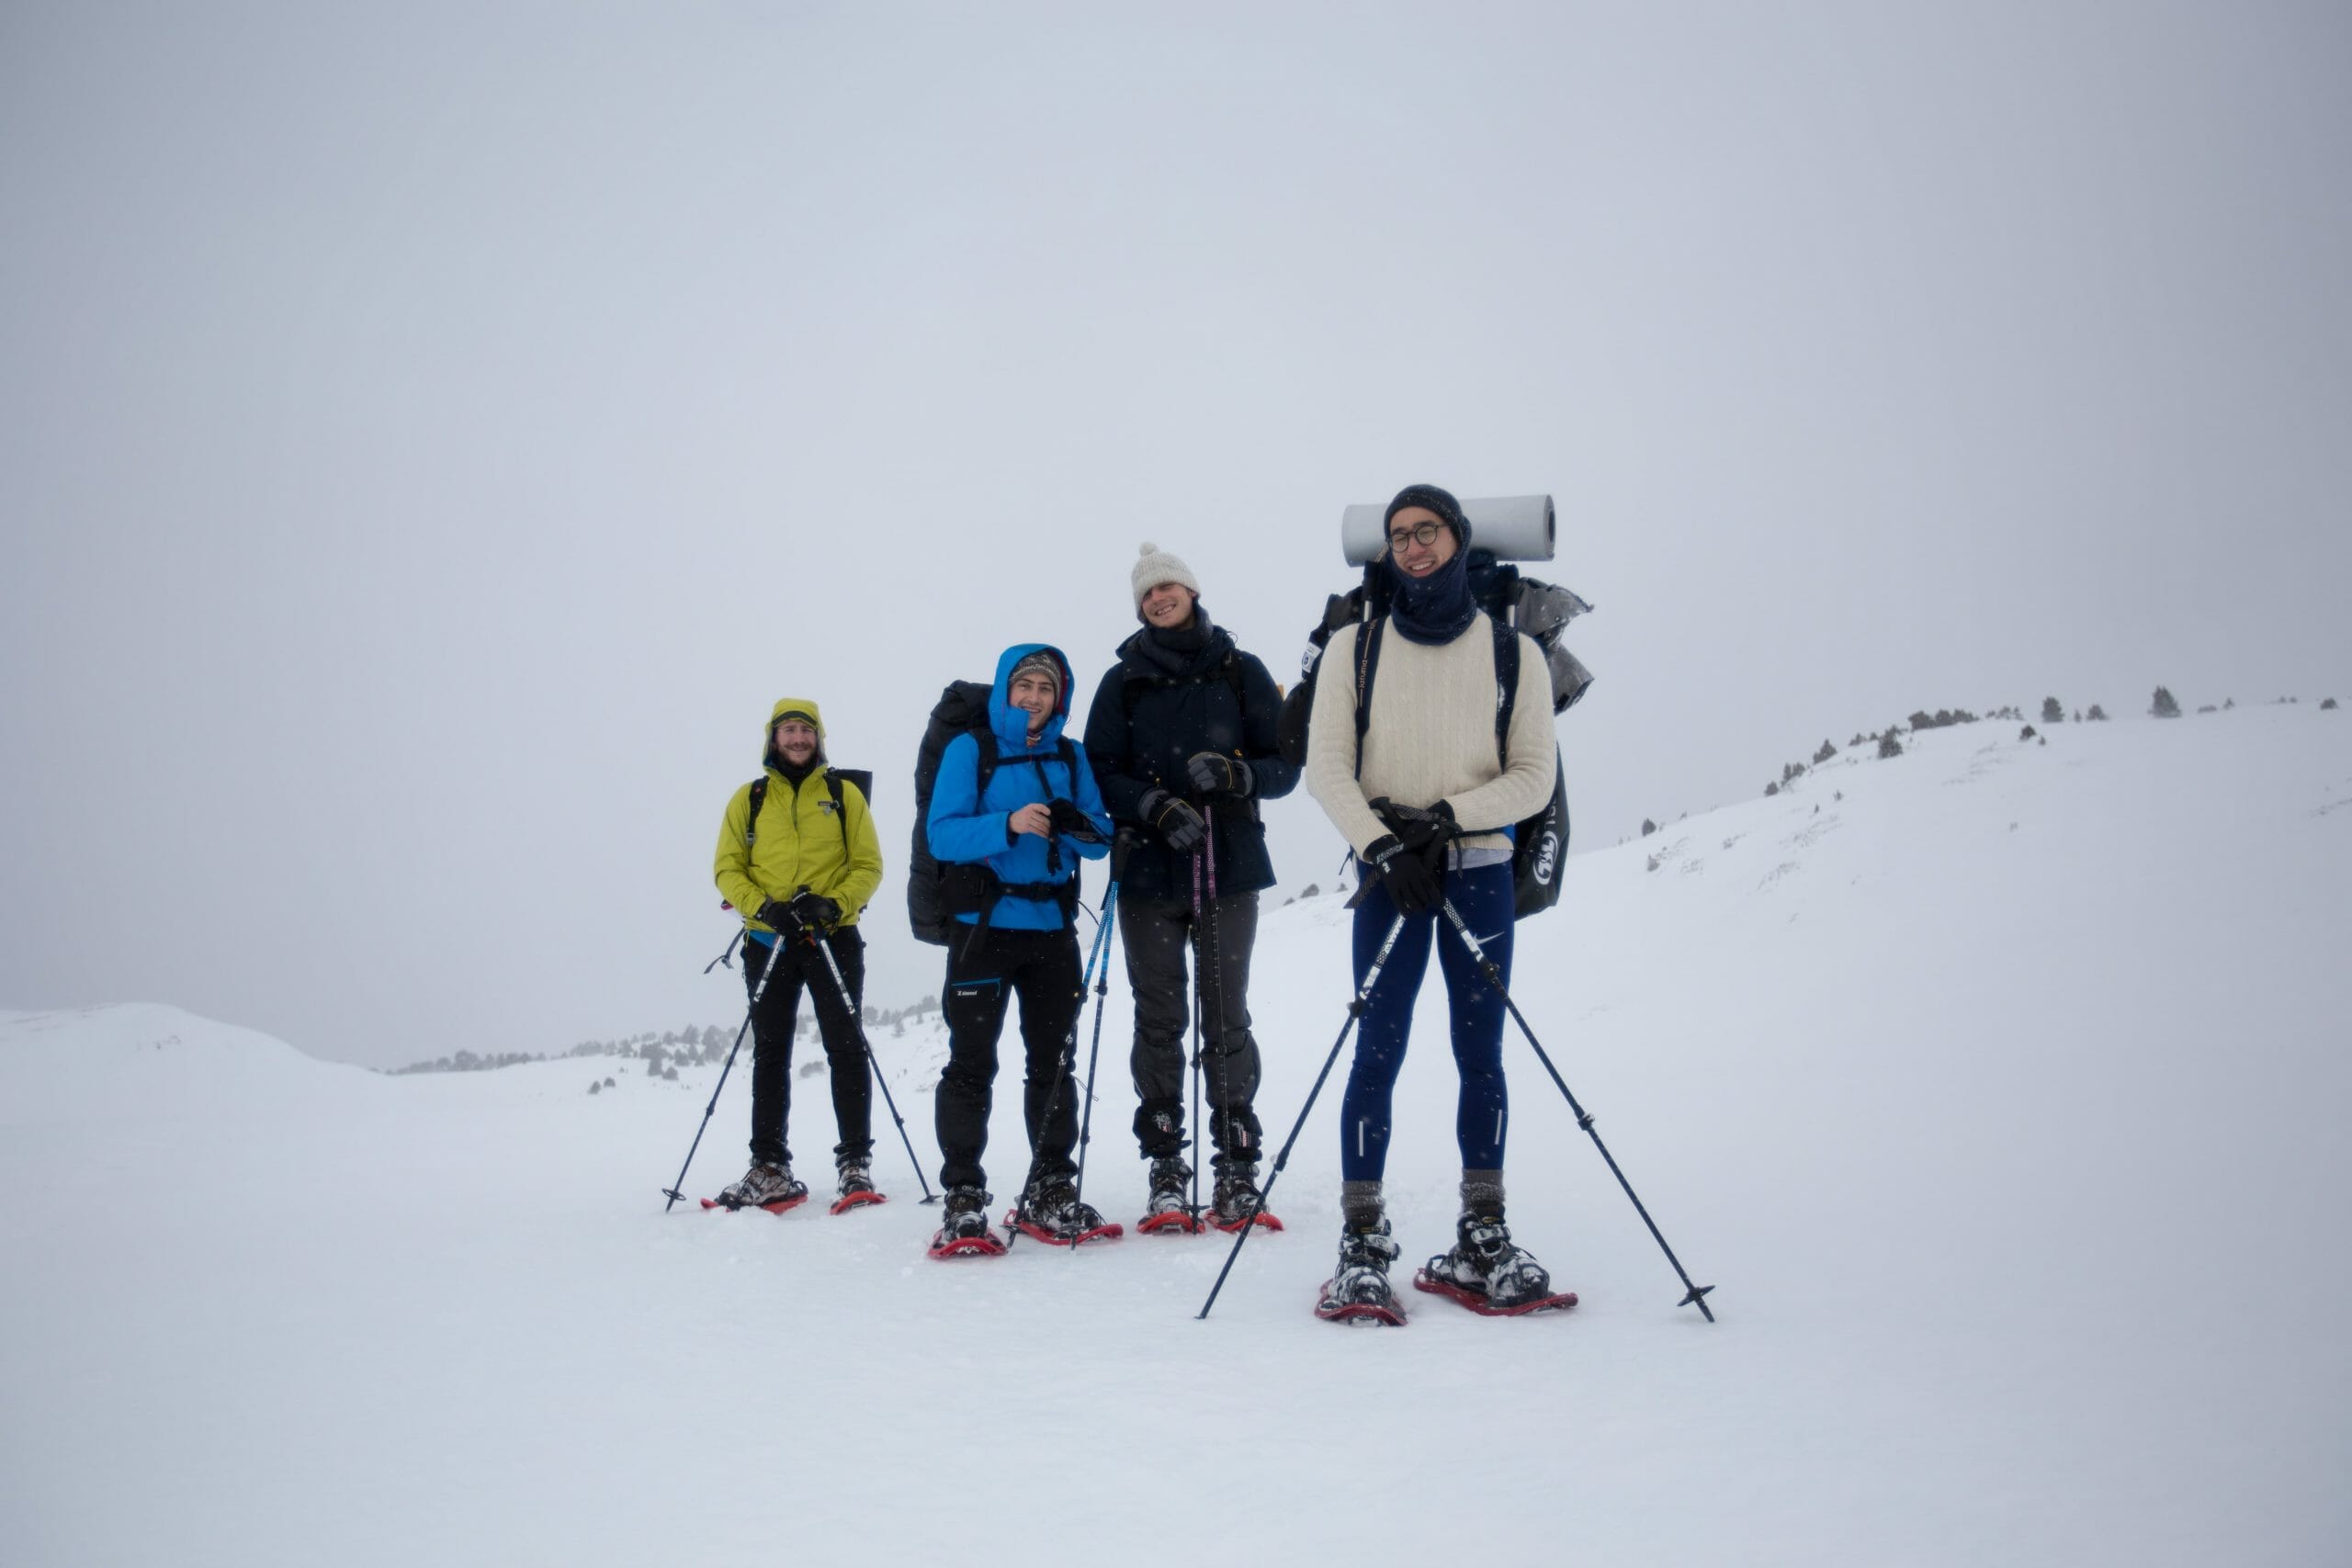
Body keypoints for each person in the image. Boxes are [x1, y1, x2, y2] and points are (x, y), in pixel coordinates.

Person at [1303, 484, 1560, 1318]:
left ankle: (1483, 1231)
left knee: (1479, 1048)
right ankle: (1362, 1239)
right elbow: (1327, 766)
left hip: (1477, 867)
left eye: (1429, 531)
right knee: (1377, 1047)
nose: (1413, 547)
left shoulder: (1515, 654)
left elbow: (1532, 777)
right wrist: (1382, 845)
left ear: (1458, 538)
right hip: (1390, 874)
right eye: (1399, 535)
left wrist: (1449, 820)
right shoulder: (1355, 647)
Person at [1082, 543, 1297, 1230]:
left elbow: (1284, 763)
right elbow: (1099, 769)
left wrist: (1237, 776)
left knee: (1224, 1011)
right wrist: (1151, 805)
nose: (1158, 598)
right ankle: (1166, 1161)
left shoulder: (1241, 671)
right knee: (1159, 1015)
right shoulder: (1121, 682)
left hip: (1227, 866)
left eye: (1168, 587)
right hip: (1148, 870)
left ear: (1192, 592)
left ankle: (1235, 1163)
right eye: (1147, 594)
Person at [925, 644, 1115, 1252]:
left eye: (1046, 688)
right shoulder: (970, 749)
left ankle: (1051, 1187)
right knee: (972, 1062)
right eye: (1025, 685)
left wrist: (1075, 823)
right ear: (1007, 690)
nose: (1035, 698)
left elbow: (1099, 838)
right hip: (982, 928)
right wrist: (1007, 825)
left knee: (1054, 1062)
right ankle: (962, 1193)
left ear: (1059, 698)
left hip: (1052, 931)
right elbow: (942, 833)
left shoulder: (1070, 753)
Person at [710, 699, 886, 1211]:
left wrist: (834, 904)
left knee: (846, 1047)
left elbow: (869, 865)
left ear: (819, 737)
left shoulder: (843, 793)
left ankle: (855, 1162)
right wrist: (764, 908)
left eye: (806, 729)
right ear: (773, 737)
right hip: (769, 940)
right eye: (788, 729)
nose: (797, 738)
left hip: (833, 937)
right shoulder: (751, 798)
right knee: (771, 1051)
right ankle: (770, 1165)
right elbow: (726, 868)